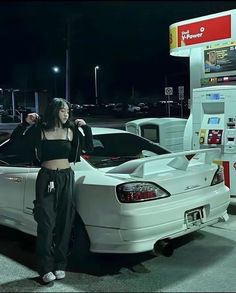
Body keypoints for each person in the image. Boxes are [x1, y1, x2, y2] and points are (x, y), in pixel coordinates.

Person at [8, 98, 93, 284]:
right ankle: (45, 268)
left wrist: (85, 127)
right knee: (46, 224)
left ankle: (60, 264)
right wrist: (24, 123)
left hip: (66, 177)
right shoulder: (40, 130)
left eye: (68, 111)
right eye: (63, 111)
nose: (67, 114)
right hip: (46, 177)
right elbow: (16, 143)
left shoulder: (71, 131)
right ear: (54, 111)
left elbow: (89, 147)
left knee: (65, 223)